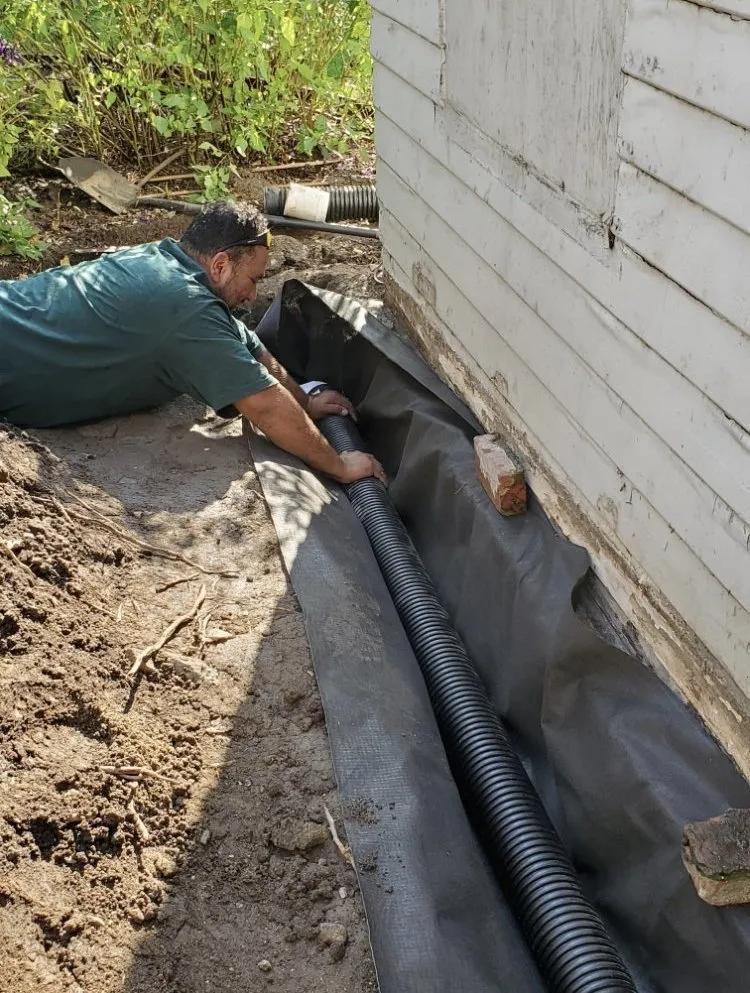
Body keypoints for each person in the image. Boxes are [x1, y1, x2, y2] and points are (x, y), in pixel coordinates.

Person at [0, 200, 385, 486]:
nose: (253, 295)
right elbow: (264, 406)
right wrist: (339, 465)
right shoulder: (184, 312)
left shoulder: (162, 262)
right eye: (253, 280)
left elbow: (245, 343)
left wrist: (306, 401)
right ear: (220, 265)